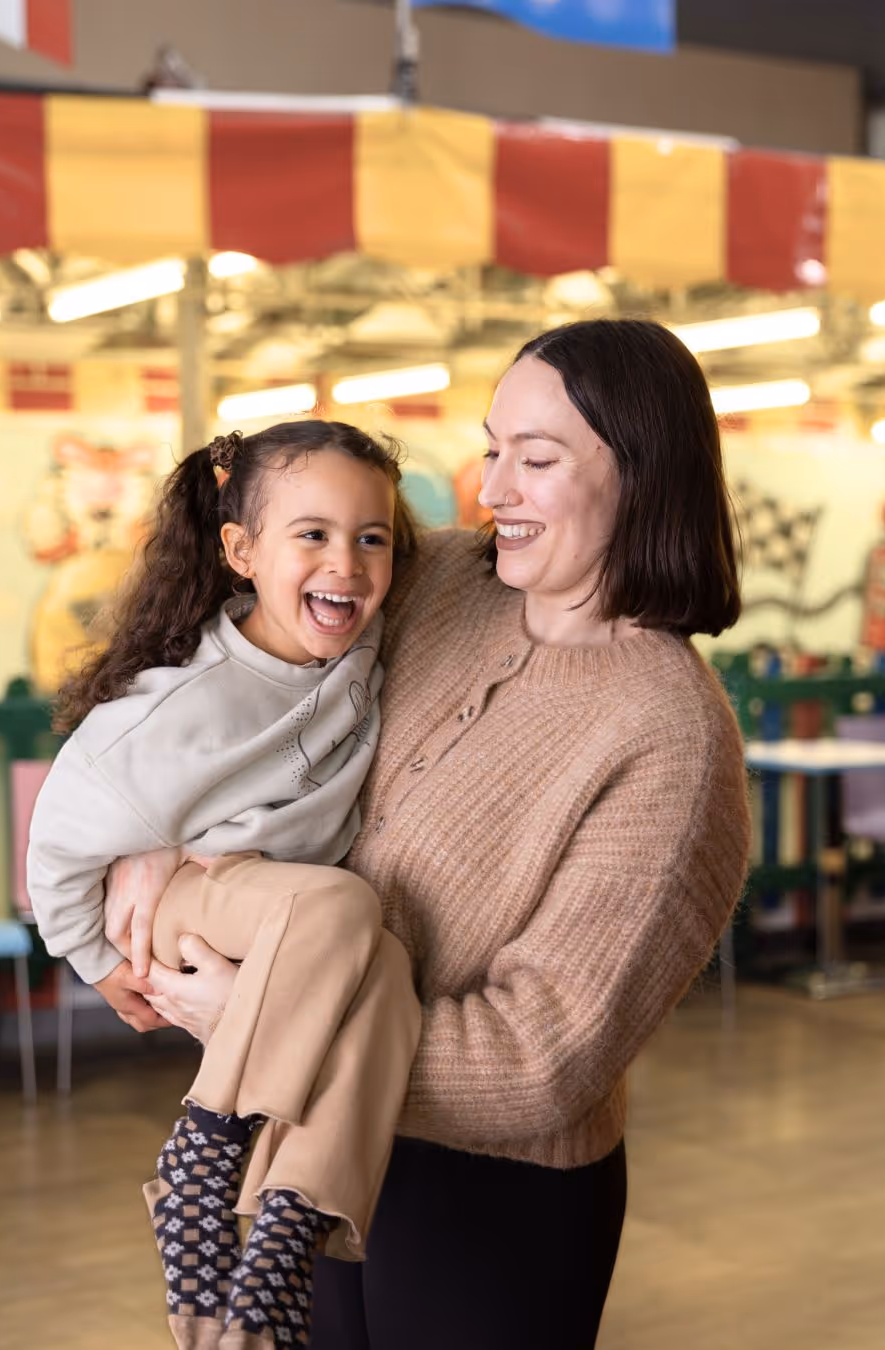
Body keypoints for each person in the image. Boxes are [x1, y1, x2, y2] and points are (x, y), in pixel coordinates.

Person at [109, 318, 753, 1350]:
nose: (491, 486)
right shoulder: (440, 580)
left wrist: (275, 1020)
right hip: (299, 1144)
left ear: (643, 476)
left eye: (536, 460)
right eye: (493, 447)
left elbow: (541, 1059)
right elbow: (239, 672)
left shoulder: (670, 736)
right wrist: (147, 830)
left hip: (489, 1202)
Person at [27, 419, 422, 1350]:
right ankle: (207, 1153)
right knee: (346, 904)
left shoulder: (357, 643)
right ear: (241, 551)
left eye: (373, 539)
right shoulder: (174, 706)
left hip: (295, 925)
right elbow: (53, 845)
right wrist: (94, 962)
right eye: (313, 535)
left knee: (391, 977)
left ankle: (289, 1224)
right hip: (195, 904)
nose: (348, 563)